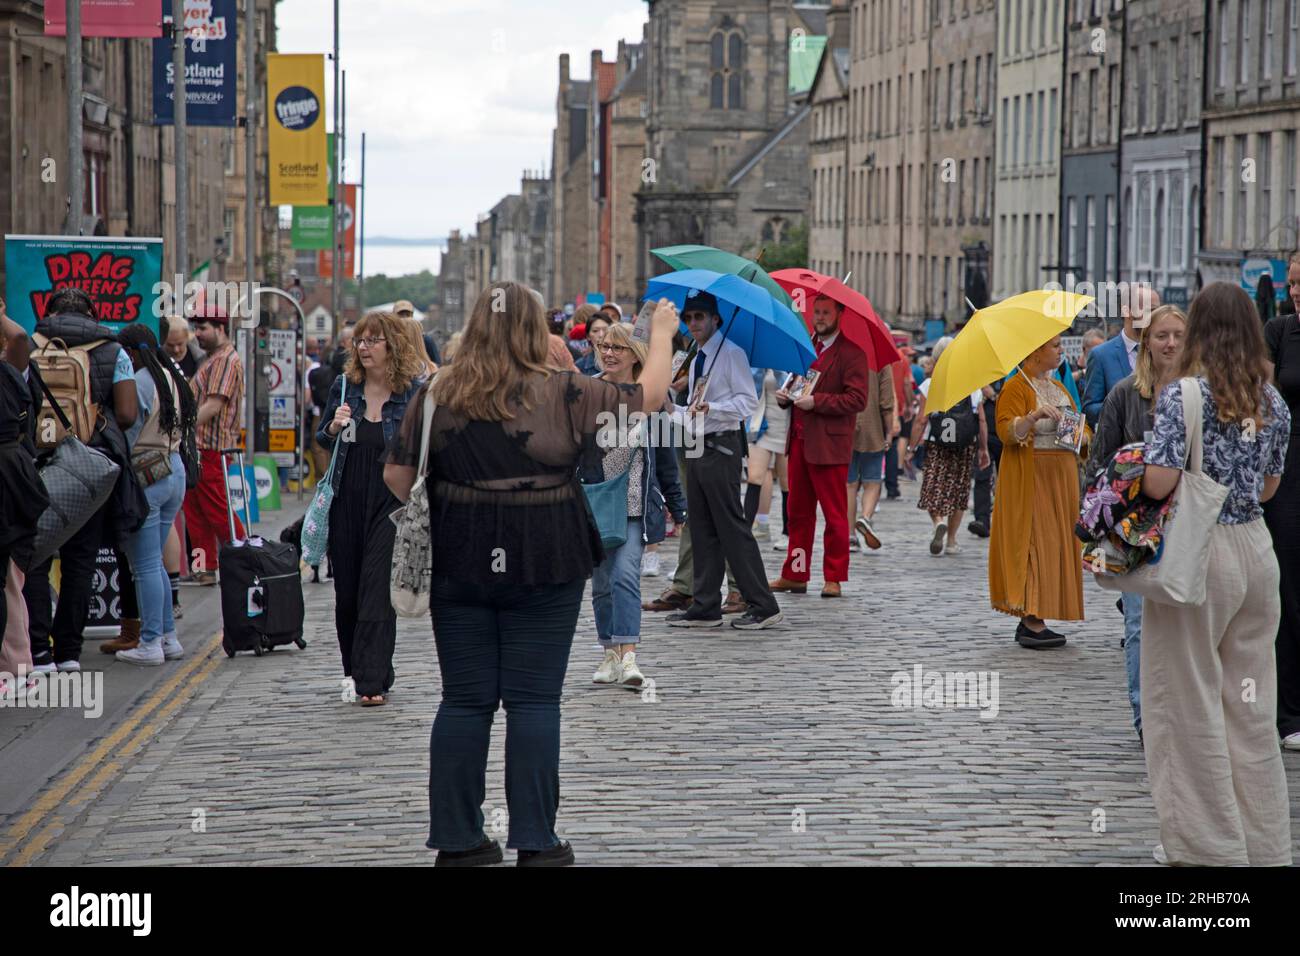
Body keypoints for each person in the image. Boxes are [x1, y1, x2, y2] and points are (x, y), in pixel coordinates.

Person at [383, 282, 680, 867]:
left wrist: (459, 493)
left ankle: (459, 841)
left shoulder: (438, 392)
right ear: (532, 330)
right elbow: (646, 395)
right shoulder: (566, 391)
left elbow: (397, 476)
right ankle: (537, 843)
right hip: (546, 555)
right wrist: (663, 334)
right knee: (534, 702)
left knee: (465, 702)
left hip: (462, 557)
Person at [1139, 282, 1292, 866]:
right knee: (1251, 707)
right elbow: (1272, 486)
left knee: (1188, 700)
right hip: (1257, 549)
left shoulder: (1185, 396)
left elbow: (1158, 482)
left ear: (1198, 329)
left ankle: (1209, 847)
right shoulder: (1272, 400)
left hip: (1199, 555)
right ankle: (1265, 844)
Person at [23, 288, 138, 672]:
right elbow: (126, 414)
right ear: (92, 312)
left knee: (34, 557)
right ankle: (69, 652)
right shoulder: (113, 349)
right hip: (89, 464)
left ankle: (38, 651)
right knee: (80, 559)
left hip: (36, 464)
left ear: (49, 311)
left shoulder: (29, 346)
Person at [1087, 305, 1188, 743]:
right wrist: (1094, 531)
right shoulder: (1126, 394)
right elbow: (1100, 465)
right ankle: (1146, 719)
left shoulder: (1199, 395)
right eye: (1161, 335)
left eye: (1178, 336)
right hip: (1134, 530)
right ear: (1146, 343)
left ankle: (1180, 714)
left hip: (1187, 525)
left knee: (1184, 625)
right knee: (1137, 625)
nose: (1169, 343)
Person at [317, 311, 425, 706]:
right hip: (347, 496)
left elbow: (425, 448)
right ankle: (357, 667)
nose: (364, 347)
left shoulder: (413, 393)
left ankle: (370, 680)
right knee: (347, 592)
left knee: (376, 589)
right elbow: (322, 437)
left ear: (392, 347)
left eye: (373, 340)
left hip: (390, 500)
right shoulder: (345, 387)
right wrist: (333, 428)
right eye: (360, 340)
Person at [664, 292, 782, 628]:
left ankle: (762, 603)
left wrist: (711, 408)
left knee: (731, 528)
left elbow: (746, 403)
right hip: (700, 445)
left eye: (699, 317)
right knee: (701, 527)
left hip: (723, 448)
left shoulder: (730, 353)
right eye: (688, 319)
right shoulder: (697, 356)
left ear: (716, 319)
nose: (693, 324)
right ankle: (705, 604)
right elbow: (697, 413)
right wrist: (674, 409)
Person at [585, 322, 686, 688]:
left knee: (625, 575)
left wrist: (678, 506)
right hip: (595, 502)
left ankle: (629, 656)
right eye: (604, 346)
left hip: (634, 504)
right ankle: (609, 652)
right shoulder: (588, 392)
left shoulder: (651, 398)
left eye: (618, 347)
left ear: (635, 355)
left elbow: (666, 459)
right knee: (600, 584)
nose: (609, 352)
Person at [769, 296, 870, 598]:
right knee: (797, 512)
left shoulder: (852, 354)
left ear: (840, 313)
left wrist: (818, 402)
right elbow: (797, 384)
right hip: (799, 441)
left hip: (829, 446)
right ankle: (796, 573)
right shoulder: (805, 347)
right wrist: (784, 396)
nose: (821, 317)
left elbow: (857, 400)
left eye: (827, 312)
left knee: (834, 514)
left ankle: (834, 576)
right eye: (818, 312)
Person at [988, 335, 1085, 648]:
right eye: (1054, 346)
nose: (1060, 350)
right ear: (1035, 351)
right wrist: (1032, 417)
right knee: (1033, 540)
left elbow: (1078, 435)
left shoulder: (1058, 387)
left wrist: (1078, 432)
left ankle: (1042, 609)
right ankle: (1030, 616)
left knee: (1055, 542)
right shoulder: (1016, 387)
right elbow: (1005, 431)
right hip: (1032, 473)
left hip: (1061, 473)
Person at [112, 325, 195, 666]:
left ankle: (149, 643)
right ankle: (167, 637)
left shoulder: (141, 381)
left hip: (149, 473)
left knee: (144, 565)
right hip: (174, 468)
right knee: (155, 562)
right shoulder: (170, 375)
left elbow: (129, 432)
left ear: (130, 353)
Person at [907, 337, 989, 556]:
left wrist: (910, 449)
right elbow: (981, 420)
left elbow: (921, 421)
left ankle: (938, 521)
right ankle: (952, 541)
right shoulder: (973, 386)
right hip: (964, 446)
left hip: (937, 445)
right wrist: (983, 449)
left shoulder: (930, 385)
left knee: (932, 488)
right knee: (959, 492)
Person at [0, 306, 47, 688]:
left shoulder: (8, 369)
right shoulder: (10, 372)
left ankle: (14, 668)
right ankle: (21, 664)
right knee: (13, 576)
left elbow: (17, 338)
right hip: (19, 475)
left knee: (9, 576)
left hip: (9, 479)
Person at [182, 304, 244, 585]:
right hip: (197, 447)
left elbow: (214, 405)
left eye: (203, 328)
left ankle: (246, 557)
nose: (197, 334)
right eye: (196, 328)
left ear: (220, 328)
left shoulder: (225, 361)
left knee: (217, 510)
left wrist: (183, 426)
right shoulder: (213, 359)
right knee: (195, 513)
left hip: (210, 447)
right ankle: (203, 567)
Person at [1264, 262, 1300, 752]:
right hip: (1289, 471)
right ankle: (1289, 712)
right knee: (1288, 590)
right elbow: (1266, 402)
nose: (1296, 290)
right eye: (1293, 281)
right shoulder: (1278, 331)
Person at [1082, 284, 1161, 427]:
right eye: (1150, 310)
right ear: (1127, 311)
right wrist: (1121, 406)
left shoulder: (1164, 352)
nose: (1157, 317)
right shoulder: (1101, 355)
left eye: (1159, 311)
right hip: (1121, 446)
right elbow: (1089, 410)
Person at [847, 356, 897, 553]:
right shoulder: (880, 359)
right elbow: (886, 401)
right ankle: (865, 517)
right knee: (873, 481)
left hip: (846, 425)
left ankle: (850, 535)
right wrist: (889, 432)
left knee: (849, 484)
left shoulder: (842, 353)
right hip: (873, 428)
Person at [575, 307, 611, 376]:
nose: (601, 335)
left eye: (605, 330)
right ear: (588, 336)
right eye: (595, 331)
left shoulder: (623, 362)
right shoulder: (580, 366)